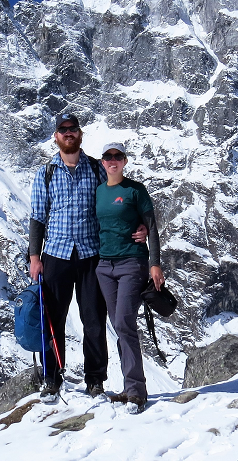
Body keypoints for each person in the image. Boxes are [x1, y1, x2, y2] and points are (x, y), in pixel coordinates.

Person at [28, 114, 146, 400]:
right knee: (53, 318)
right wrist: (34, 256)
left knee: (93, 319)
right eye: (63, 130)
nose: (68, 134)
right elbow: (37, 218)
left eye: (73, 129)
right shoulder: (45, 174)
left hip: (92, 254)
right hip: (55, 254)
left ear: (80, 135)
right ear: (56, 136)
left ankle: (95, 379)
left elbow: (116, 200)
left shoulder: (96, 169)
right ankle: (52, 377)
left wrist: (139, 225)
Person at [94, 142, 164, 413]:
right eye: (108, 157)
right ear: (103, 162)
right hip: (104, 267)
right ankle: (129, 386)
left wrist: (154, 263)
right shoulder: (99, 191)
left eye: (117, 156)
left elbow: (152, 226)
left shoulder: (136, 190)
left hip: (131, 263)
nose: (113, 161)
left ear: (124, 161)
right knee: (118, 324)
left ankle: (136, 390)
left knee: (124, 322)